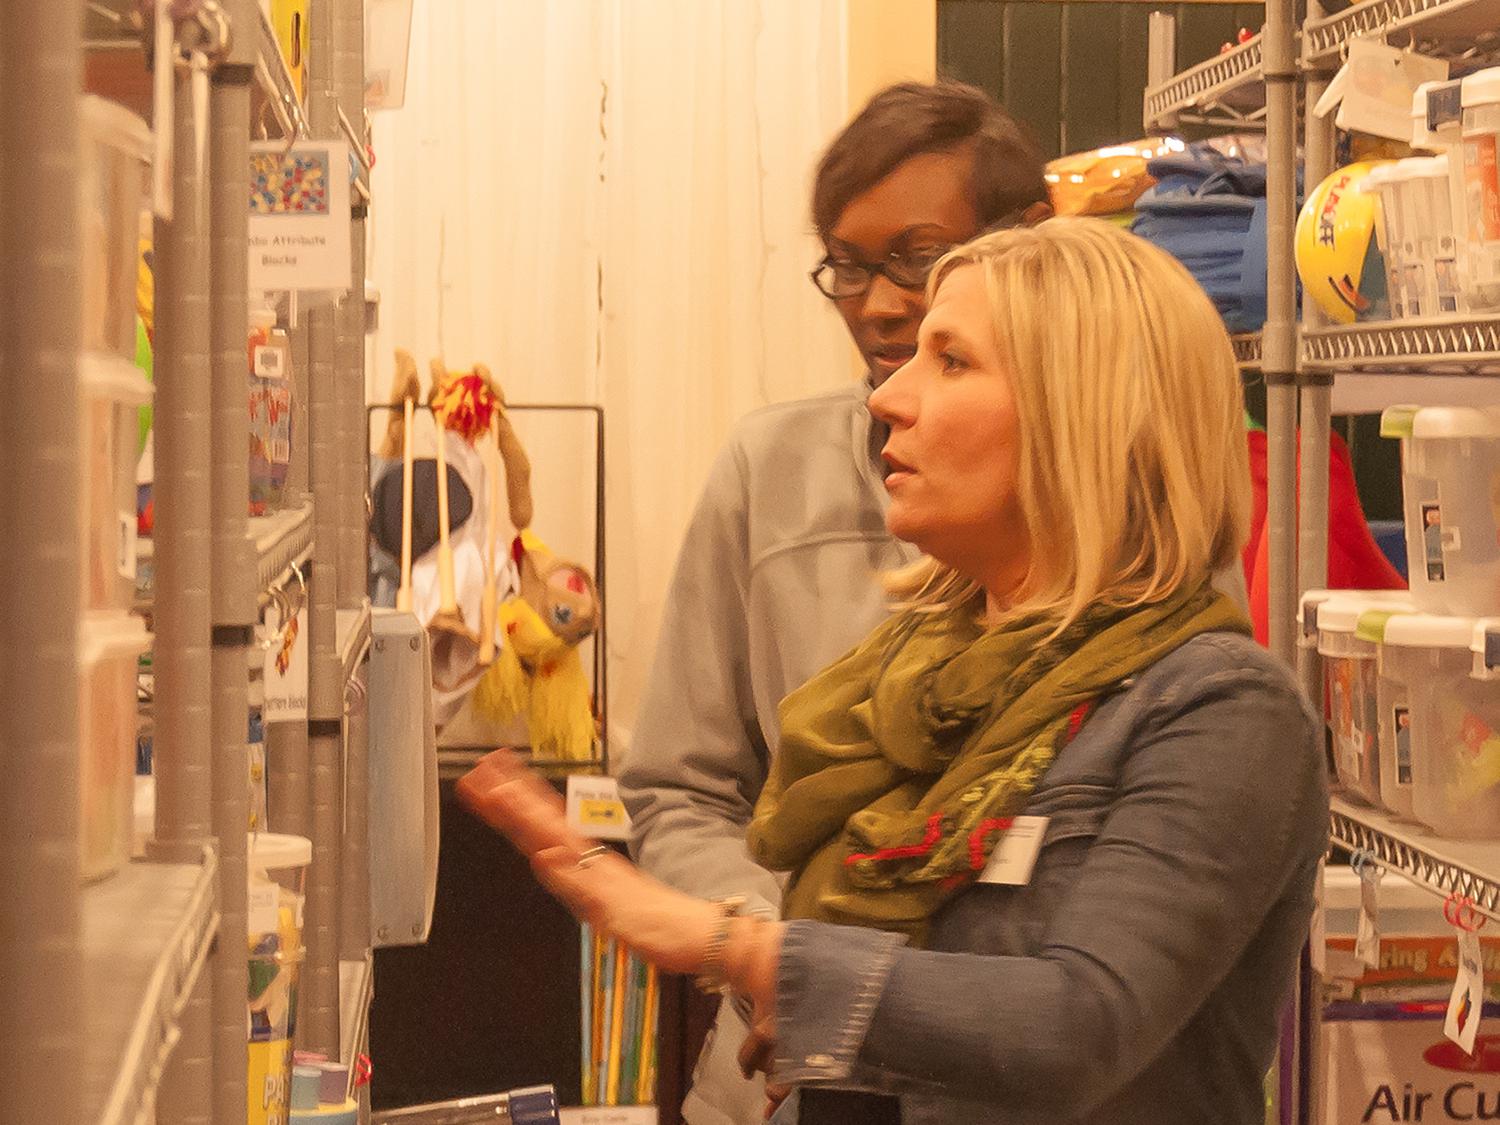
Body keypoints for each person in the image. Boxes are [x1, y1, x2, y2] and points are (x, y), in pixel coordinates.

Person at [460, 218, 1329, 1125]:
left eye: (950, 361)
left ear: (1086, 413)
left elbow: (1075, 1027)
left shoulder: (1224, 710)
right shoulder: (918, 680)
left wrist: (736, 945)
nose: (888, 398)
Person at [615, 80, 1049, 1125]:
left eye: (916, 255)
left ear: (1031, 246)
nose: (879, 302)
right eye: (848, 266)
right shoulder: (769, 472)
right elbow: (679, 788)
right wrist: (788, 949)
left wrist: (881, 978)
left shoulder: (1141, 525)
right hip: (781, 1080)